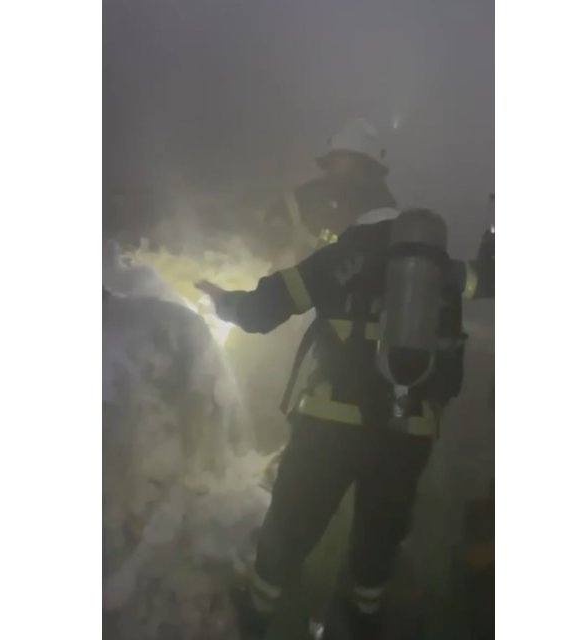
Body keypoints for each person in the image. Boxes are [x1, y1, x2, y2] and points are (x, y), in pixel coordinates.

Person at [197, 207, 468, 640]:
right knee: (381, 528)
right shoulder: (441, 271)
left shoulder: (342, 258)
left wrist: (222, 301)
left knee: (292, 520)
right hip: (408, 430)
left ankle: (258, 611)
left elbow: (261, 311)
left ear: (362, 228)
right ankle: (364, 614)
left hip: (331, 424)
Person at [256, 118, 398, 265]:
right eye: (336, 158)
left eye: (345, 157)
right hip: (302, 276)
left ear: (365, 165)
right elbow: (280, 212)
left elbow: (364, 257)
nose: (337, 165)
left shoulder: (381, 209)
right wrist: (277, 233)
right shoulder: (316, 192)